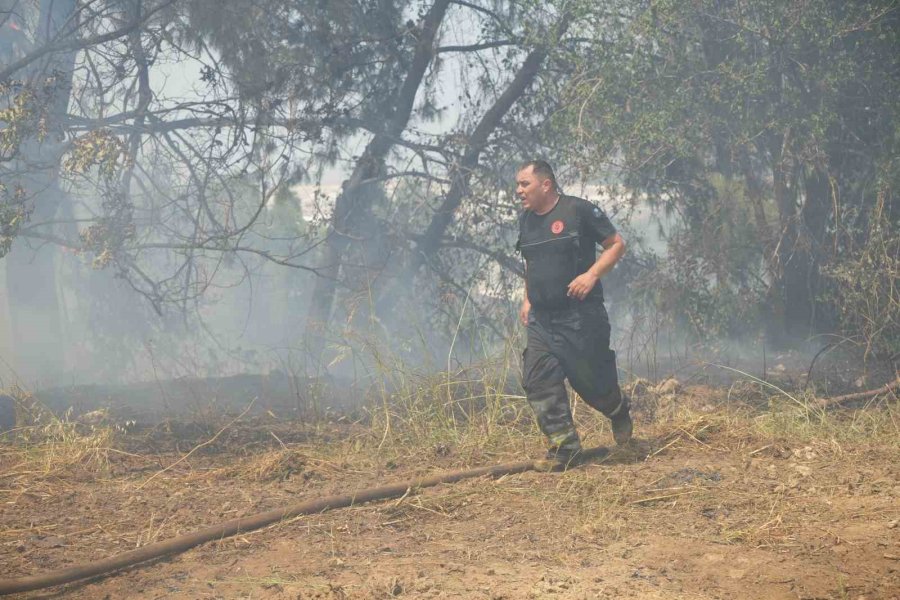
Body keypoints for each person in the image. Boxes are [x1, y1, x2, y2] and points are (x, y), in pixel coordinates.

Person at [515, 160, 632, 467]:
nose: (519, 191)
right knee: (538, 380)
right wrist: (527, 299)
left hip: (580, 317)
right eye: (518, 185)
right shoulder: (526, 220)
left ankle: (617, 409)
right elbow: (531, 262)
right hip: (542, 320)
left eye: (524, 184)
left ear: (546, 185)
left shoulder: (578, 211)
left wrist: (591, 275)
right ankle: (565, 449)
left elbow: (616, 244)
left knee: (592, 385)